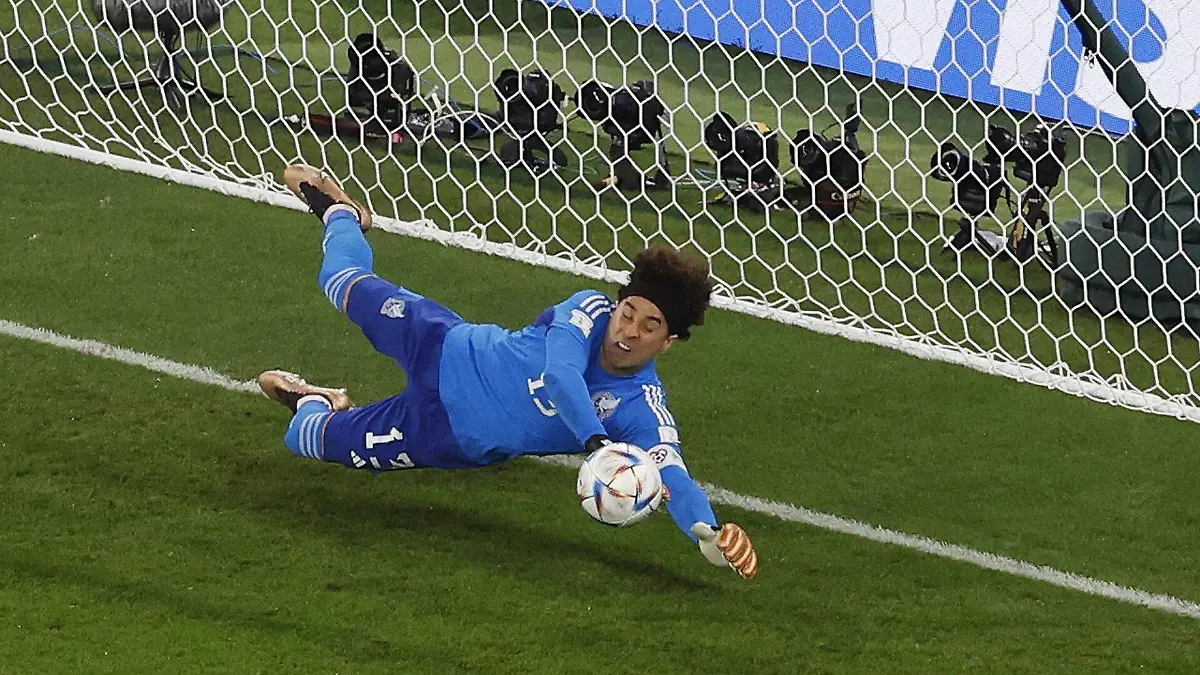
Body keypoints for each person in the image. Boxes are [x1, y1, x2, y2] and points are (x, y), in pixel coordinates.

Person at [258, 164, 759, 579]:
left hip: (445, 436)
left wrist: (709, 531)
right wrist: (597, 444)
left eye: (649, 327)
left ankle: (316, 400)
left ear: (666, 343)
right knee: (339, 279)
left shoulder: (640, 410)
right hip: (444, 345)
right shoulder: (588, 310)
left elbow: (672, 472)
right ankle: (342, 215)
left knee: (306, 438)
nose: (627, 330)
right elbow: (562, 376)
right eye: (628, 311)